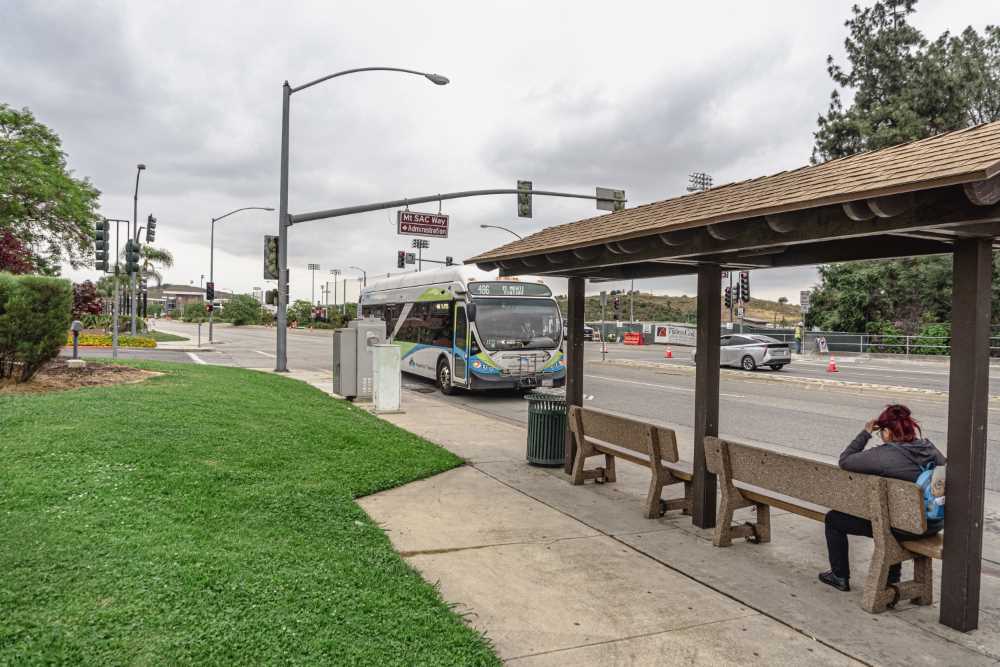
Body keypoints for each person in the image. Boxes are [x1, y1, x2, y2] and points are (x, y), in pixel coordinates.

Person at [819, 404, 946, 592]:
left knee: (834, 519)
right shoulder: (929, 448)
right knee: (893, 517)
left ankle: (839, 576)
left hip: (904, 528)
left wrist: (866, 432)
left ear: (886, 431)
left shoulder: (884, 456)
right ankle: (891, 579)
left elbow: (845, 461)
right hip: (933, 523)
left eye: (882, 433)